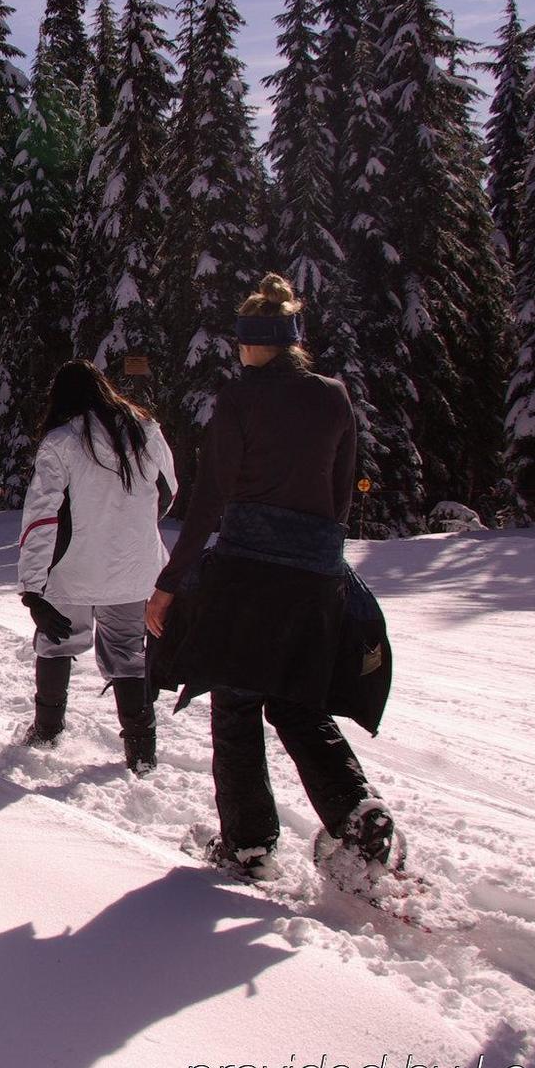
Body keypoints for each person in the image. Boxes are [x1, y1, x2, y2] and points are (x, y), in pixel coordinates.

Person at [146, 274, 397, 880]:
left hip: (248, 574)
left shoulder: (240, 399)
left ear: (255, 344)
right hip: (316, 577)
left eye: (241, 343)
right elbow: (340, 497)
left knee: (235, 702)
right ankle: (357, 815)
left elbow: (208, 501)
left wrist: (170, 582)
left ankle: (250, 844)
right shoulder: (335, 397)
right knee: (295, 701)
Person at [15, 361, 177, 774]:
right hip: (135, 570)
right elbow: (169, 491)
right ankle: (141, 752)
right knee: (127, 653)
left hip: (72, 572)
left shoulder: (60, 441)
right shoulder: (146, 430)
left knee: (56, 642)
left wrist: (32, 588)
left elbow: (41, 517)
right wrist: (133, 529)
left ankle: (46, 732)